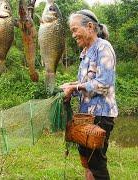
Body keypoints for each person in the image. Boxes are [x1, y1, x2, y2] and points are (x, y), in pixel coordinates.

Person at [60, 10, 118, 180]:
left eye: (75, 29)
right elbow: (86, 82)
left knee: (97, 166)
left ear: (90, 27)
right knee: (87, 162)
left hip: (101, 116)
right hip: (85, 115)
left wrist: (75, 88)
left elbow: (103, 84)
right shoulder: (85, 52)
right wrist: (71, 86)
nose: (73, 35)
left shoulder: (103, 48)